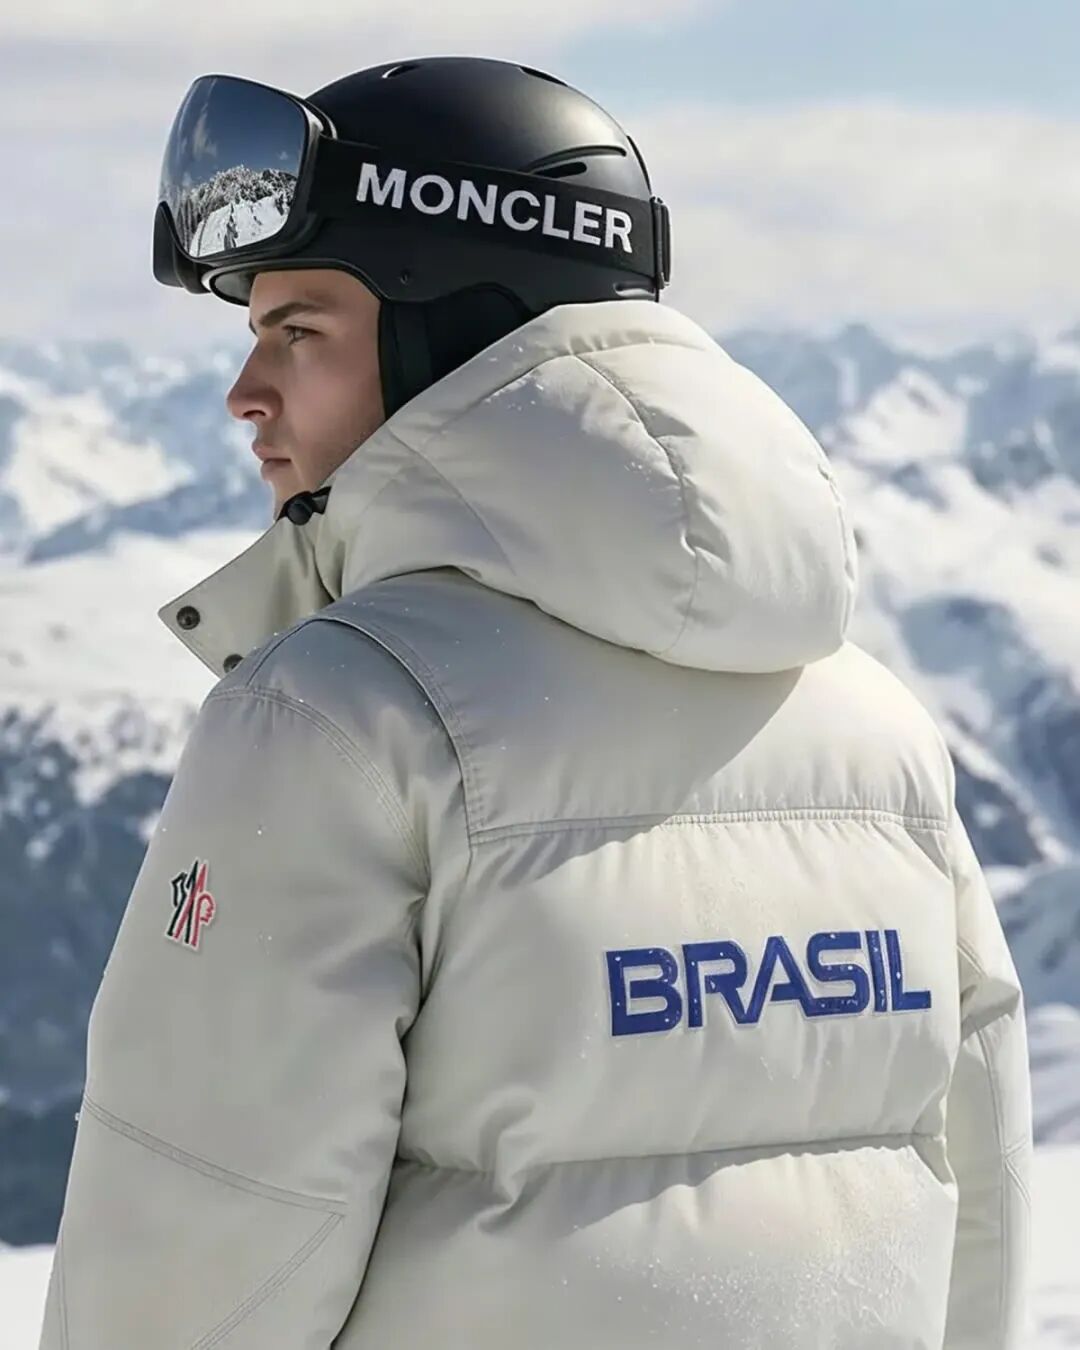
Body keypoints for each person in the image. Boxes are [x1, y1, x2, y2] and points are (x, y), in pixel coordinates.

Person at [40, 56, 1032, 1349]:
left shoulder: (342, 720)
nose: (246, 394)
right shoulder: (878, 729)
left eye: (299, 332)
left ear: (456, 337)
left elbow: (202, 1244)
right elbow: (980, 1199)